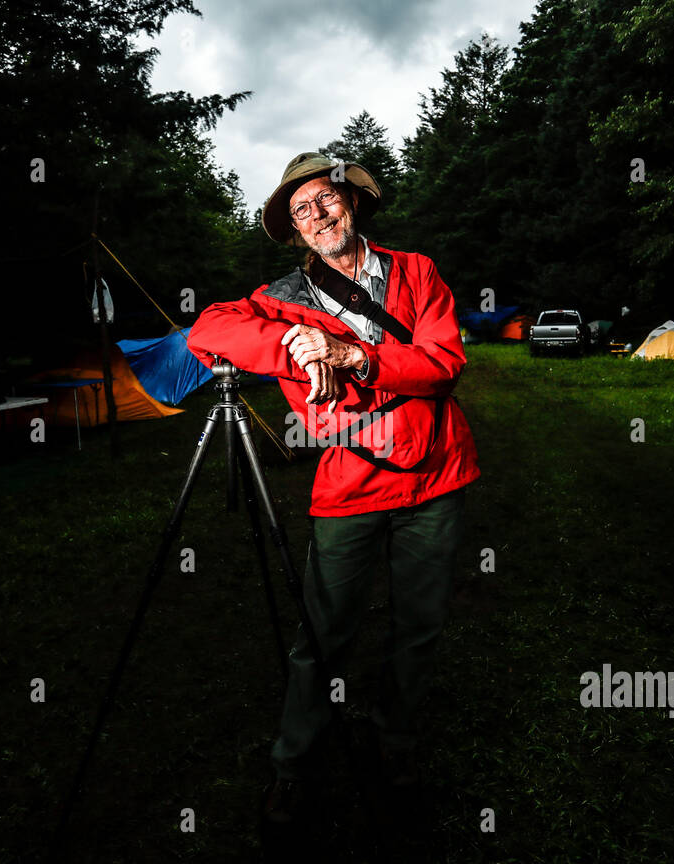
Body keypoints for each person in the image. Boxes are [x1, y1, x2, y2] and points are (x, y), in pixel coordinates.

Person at [186, 152, 480, 823]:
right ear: (293, 231)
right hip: (348, 483)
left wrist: (355, 355)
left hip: (436, 474)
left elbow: (443, 363)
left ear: (351, 201)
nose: (317, 214)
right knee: (322, 634)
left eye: (325, 199)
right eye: (300, 210)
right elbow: (207, 330)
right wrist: (293, 339)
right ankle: (296, 761)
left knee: (419, 628)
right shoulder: (282, 297)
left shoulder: (416, 270)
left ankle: (395, 741)